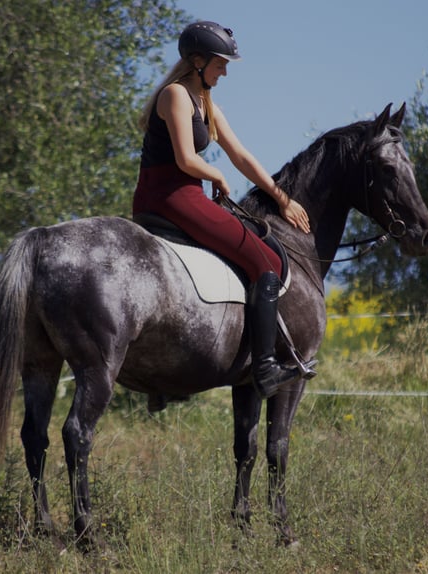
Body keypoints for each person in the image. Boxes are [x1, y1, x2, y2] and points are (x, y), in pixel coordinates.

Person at [133, 21, 312, 401]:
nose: (225, 71)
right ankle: (263, 369)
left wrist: (281, 198)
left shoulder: (207, 102)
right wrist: (216, 175)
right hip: (169, 196)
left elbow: (242, 156)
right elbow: (185, 158)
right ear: (197, 62)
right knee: (267, 263)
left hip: (185, 193)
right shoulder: (176, 95)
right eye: (220, 63)